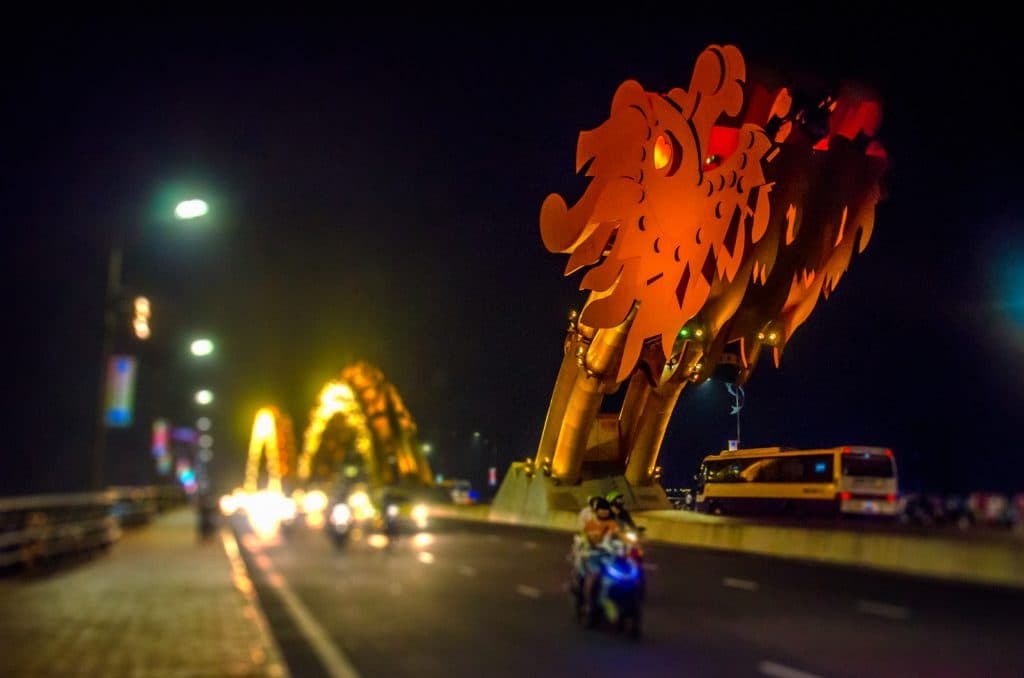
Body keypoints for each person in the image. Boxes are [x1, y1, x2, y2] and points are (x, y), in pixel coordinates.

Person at [579, 497, 620, 618]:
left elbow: (619, 536)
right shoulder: (591, 524)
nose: (604, 512)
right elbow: (589, 539)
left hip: (608, 556)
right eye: (601, 509)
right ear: (597, 511)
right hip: (594, 556)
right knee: (593, 576)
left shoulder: (612, 523)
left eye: (606, 509)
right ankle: (588, 602)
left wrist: (632, 544)